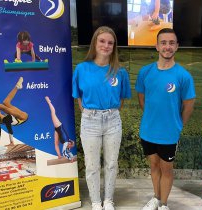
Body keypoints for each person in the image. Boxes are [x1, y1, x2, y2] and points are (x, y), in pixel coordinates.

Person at [135, 28, 196, 210]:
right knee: (154, 166)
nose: (167, 47)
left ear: (176, 47)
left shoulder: (183, 76)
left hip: (169, 133)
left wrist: (177, 125)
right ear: (157, 46)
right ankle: (156, 197)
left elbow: (189, 105)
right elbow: (142, 98)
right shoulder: (145, 72)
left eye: (171, 43)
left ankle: (163, 204)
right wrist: (151, 117)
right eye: (163, 43)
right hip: (147, 130)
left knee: (166, 168)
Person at [72, 26, 131, 210]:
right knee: (91, 166)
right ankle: (96, 201)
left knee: (111, 163)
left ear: (114, 46)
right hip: (90, 121)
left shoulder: (120, 72)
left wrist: (109, 113)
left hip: (113, 121)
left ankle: (108, 200)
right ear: (95, 43)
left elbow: (121, 99)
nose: (106, 45)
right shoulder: (82, 68)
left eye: (110, 43)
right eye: (102, 41)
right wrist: (88, 113)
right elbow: (78, 96)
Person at [45, 96, 75, 162]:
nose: (68, 147)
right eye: (69, 146)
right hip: (59, 126)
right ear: (69, 144)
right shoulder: (67, 142)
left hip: (57, 130)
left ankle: (59, 155)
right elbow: (65, 153)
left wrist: (71, 157)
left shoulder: (67, 144)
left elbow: (68, 151)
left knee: (56, 143)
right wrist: (71, 159)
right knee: (53, 113)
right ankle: (49, 102)